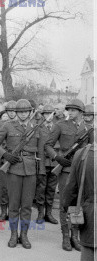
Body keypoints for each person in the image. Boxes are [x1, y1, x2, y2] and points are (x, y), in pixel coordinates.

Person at [0, 99, 45, 249]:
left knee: (27, 205)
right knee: (13, 204)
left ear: (30, 112)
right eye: (20, 112)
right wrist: (5, 155)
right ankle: (13, 234)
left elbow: (41, 151)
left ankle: (24, 235)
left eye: (25, 112)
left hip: (30, 170)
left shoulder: (37, 127)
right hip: (13, 168)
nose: (22, 114)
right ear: (16, 112)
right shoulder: (8, 125)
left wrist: (41, 171)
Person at [45, 98, 88, 251]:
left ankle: (74, 236)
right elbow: (48, 145)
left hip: (81, 169)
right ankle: (65, 236)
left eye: (74, 110)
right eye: (69, 109)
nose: (70, 112)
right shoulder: (60, 125)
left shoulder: (87, 128)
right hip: (65, 169)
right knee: (64, 202)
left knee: (78, 204)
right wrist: (57, 158)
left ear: (81, 112)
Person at [62, 137, 95, 261]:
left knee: (88, 257)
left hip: (90, 212)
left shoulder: (82, 153)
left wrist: (67, 206)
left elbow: (71, 188)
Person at [0, 100, 17, 222]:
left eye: (14, 111)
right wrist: (4, 153)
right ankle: (3, 211)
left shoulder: (20, 125)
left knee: (14, 188)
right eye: (9, 111)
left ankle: (12, 212)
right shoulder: (1, 124)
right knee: (3, 187)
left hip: (16, 159)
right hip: (4, 159)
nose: (12, 113)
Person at [35, 104, 59, 225]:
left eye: (51, 114)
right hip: (42, 161)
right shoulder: (38, 127)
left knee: (51, 188)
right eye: (46, 114)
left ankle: (49, 213)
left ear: (54, 115)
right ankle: (40, 213)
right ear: (42, 115)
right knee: (41, 188)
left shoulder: (57, 127)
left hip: (54, 162)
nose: (48, 116)